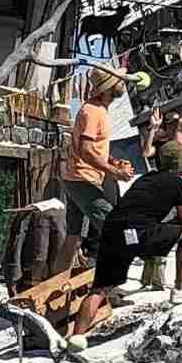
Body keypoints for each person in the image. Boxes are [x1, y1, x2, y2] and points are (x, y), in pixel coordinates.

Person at [77, 148, 182, 327]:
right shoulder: (176, 182)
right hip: (137, 233)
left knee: (99, 290)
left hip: (112, 232)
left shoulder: (145, 178)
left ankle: (76, 336)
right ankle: (180, 288)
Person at [61, 67, 127, 241]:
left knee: (73, 240)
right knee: (117, 232)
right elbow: (86, 150)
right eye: (118, 81)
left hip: (78, 179)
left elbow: (91, 148)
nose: (122, 84)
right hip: (83, 180)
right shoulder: (93, 111)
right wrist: (115, 172)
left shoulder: (99, 110)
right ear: (108, 88)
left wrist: (111, 161)